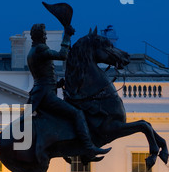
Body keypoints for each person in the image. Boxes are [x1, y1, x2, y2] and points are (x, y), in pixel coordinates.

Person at [27, 23, 111, 162]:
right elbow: (62, 55)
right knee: (77, 113)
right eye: (44, 33)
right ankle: (89, 148)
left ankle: (67, 147)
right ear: (40, 35)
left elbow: (42, 76)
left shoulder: (33, 50)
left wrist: (57, 84)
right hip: (46, 95)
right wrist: (67, 35)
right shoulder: (40, 49)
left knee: (66, 115)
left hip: (43, 92)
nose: (46, 35)